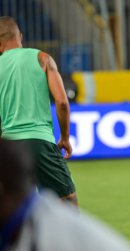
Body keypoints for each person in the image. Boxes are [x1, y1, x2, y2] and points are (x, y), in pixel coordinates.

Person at [0, 139, 130, 251]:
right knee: (67, 198)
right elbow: (62, 104)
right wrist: (65, 136)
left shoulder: (51, 238)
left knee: (67, 199)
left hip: (20, 137)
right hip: (39, 138)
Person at [0, 16, 77, 205]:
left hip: (9, 146)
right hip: (39, 142)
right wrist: (65, 137)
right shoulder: (42, 58)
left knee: (14, 211)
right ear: (21, 37)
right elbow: (62, 103)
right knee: (68, 206)